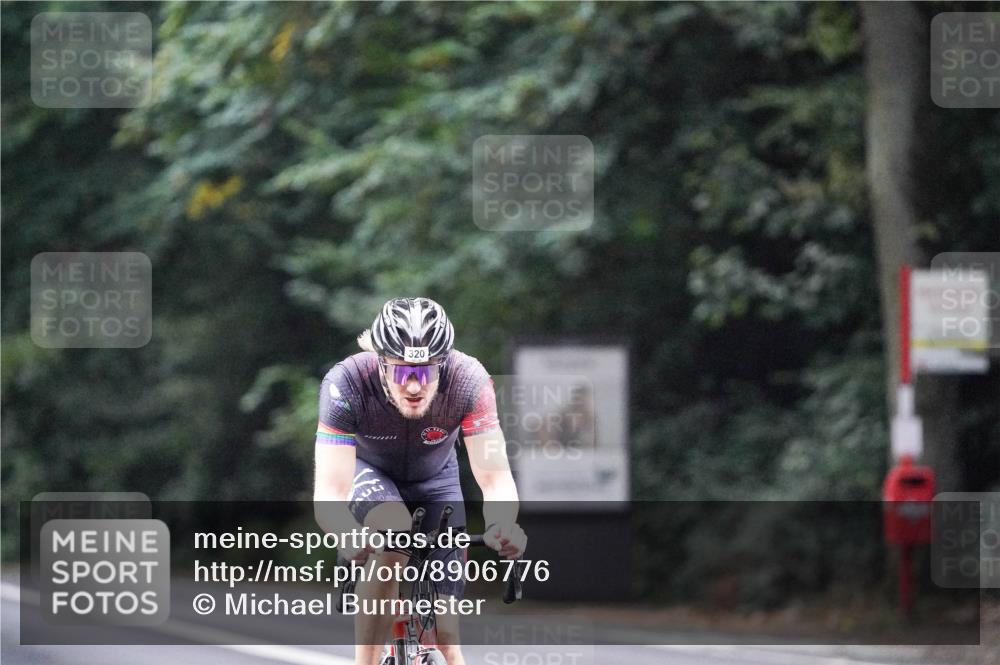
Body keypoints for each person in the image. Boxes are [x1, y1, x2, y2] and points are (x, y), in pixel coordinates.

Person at [313, 297, 527, 665]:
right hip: (369, 473)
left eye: (426, 372)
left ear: (443, 365)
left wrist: (503, 524)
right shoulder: (346, 383)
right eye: (401, 372)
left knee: (448, 639)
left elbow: (494, 477)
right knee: (393, 533)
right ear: (381, 364)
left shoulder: (469, 380)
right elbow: (329, 490)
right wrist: (345, 533)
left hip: (435, 482)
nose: (414, 386)